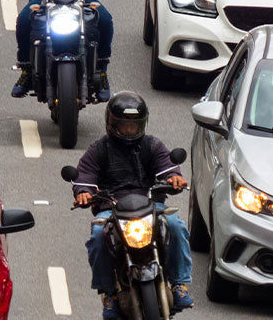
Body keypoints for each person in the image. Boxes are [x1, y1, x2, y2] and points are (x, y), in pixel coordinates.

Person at [72, 92, 194, 319]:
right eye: (124, 125)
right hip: (112, 208)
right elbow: (84, 178)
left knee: (176, 225)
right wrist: (84, 193)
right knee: (98, 235)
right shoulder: (98, 149)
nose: (129, 130)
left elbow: (167, 166)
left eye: (134, 125)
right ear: (111, 123)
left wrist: (174, 178)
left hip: (149, 205)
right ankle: (108, 293)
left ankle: (179, 284)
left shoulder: (152, 145)